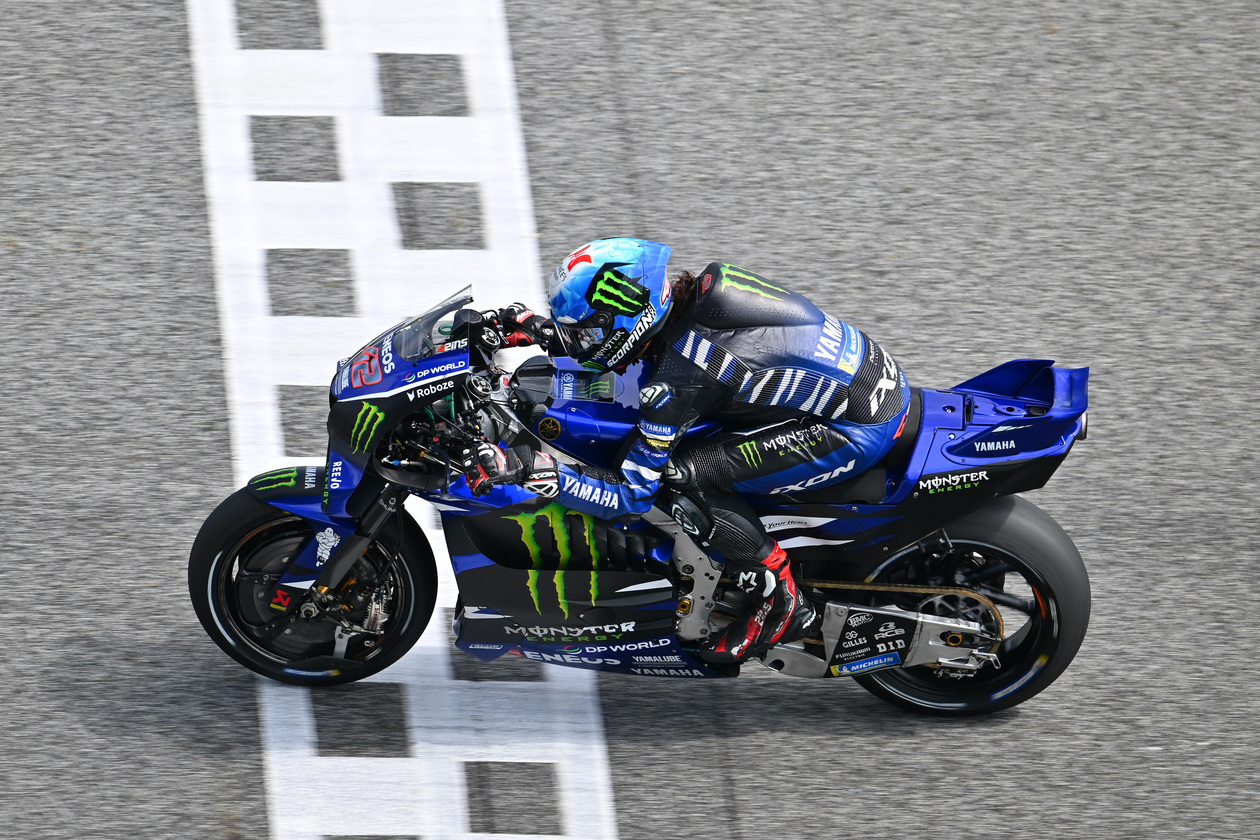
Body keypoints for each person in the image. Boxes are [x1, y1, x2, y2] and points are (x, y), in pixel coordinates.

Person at [463, 238, 910, 664]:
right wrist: (539, 331)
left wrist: (535, 471)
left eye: (587, 332)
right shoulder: (701, 292)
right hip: (873, 378)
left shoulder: (681, 377)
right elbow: (622, 339)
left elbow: (632, 494)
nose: (581, 343)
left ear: (630, 320)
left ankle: (780, 599)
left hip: (855, 428)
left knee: (680, 477)